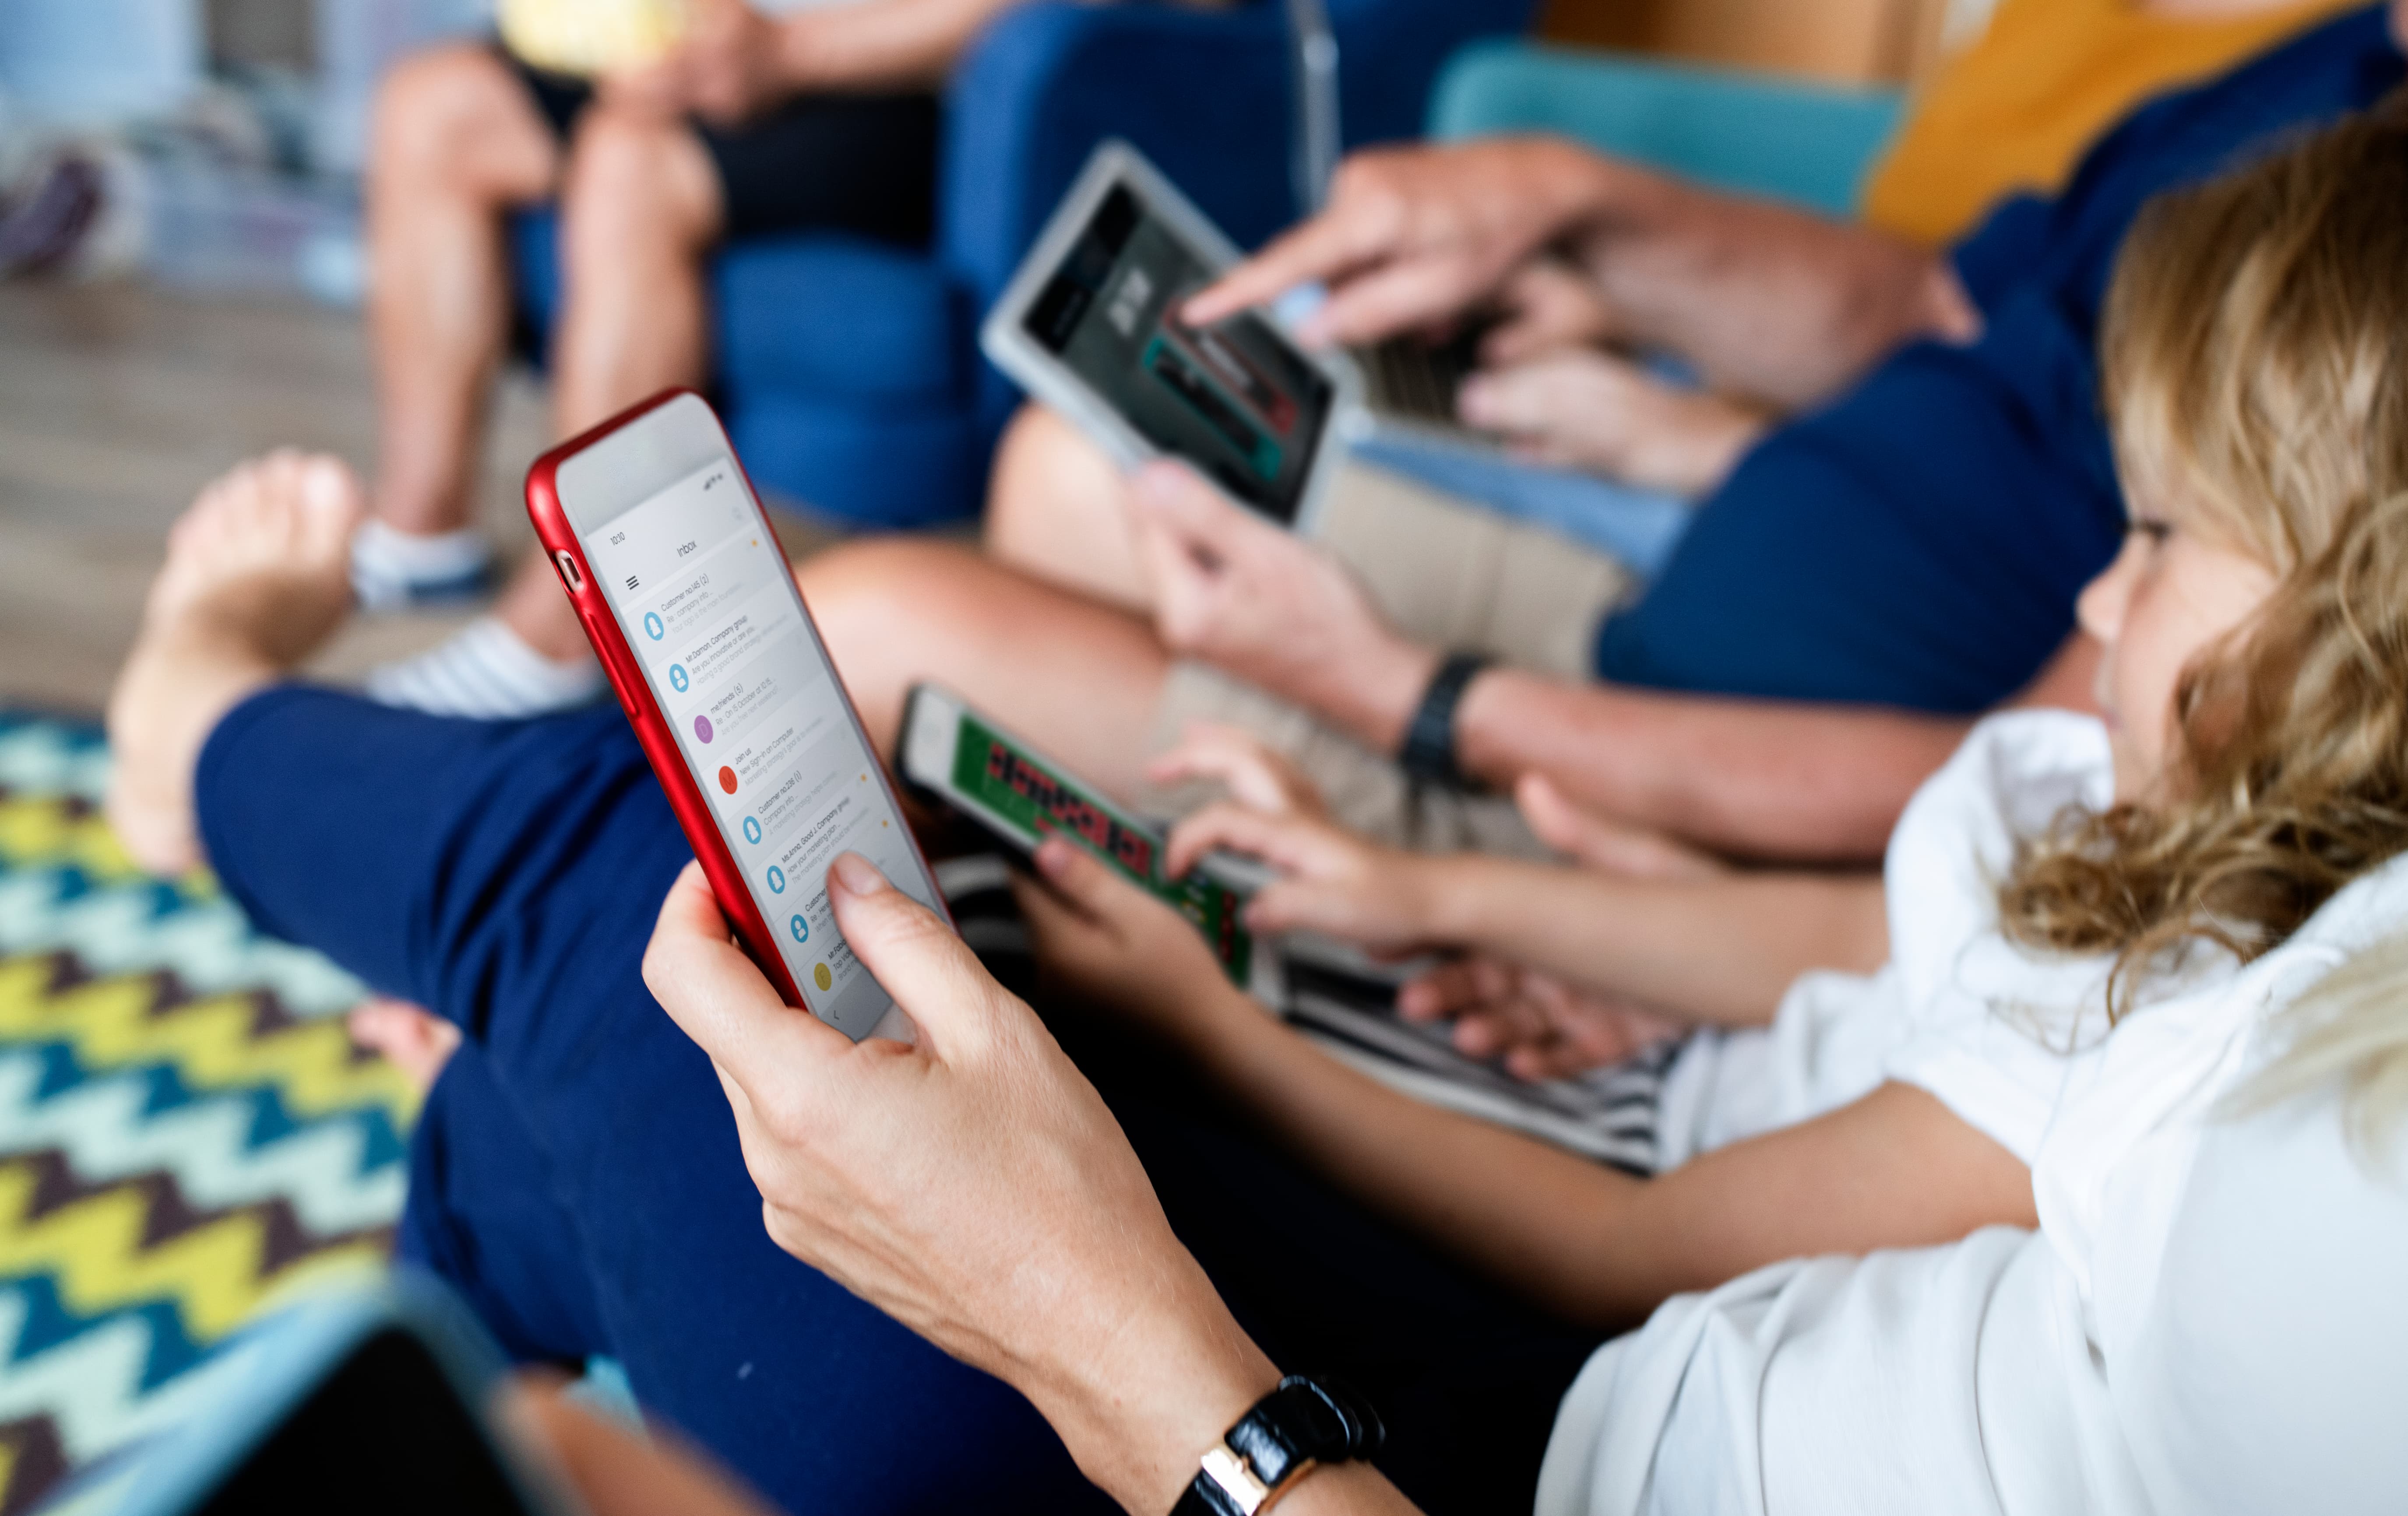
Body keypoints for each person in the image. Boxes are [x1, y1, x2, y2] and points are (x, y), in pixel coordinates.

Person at [102, 97, 2408, 1512]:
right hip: (1538, 1337)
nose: (2096, 591)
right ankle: (455, 1224)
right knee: (780, 967)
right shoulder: (2212, 899)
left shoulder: (2290, 1131)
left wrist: (1161, 1191)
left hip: (1478, 1412)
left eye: (2157, 541)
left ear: (2341, 634)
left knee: (624, 900)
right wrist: (1404, 897)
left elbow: (1663, 1227)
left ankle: (197, 738)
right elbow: (1858, 951)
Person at [783, 0, 2404, 870]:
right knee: (1076, 477)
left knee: (868, 631)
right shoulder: (2324, 82)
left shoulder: (2353, 304)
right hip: (1676, 586)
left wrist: (1428, 704)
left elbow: (2026, 782)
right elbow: (1940, 309)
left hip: (1657, 792)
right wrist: (1576, 203)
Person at [349, 0, 1039, 714]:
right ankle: (424, 535)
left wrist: (794, 52)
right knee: (431, 106)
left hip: (886, 90)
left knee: (627, 161)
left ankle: (579, 627)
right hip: (690, 52)